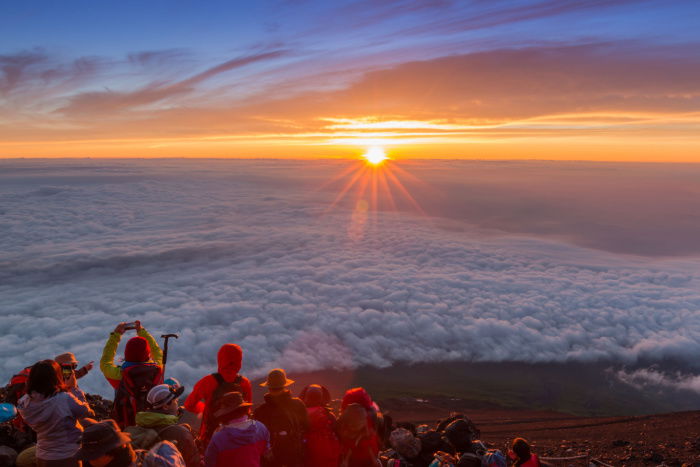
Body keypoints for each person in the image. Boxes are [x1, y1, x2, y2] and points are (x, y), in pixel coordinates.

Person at [17, 360, 94, 467]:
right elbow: (86, 412)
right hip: (67, 456)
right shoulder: (63, 399)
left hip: (42, 455)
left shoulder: (24, 403)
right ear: (56, 378)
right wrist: (74, 388)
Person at [183, 343, 252, 447]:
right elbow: (248, 409)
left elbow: (189, 404)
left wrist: (203, 409)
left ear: (220, 359)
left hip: (211, 435)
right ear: (239, 361)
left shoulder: (207, 382)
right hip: (239, 435)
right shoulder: (244, 383)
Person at [100, 320, 164, 428]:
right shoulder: (158, 369)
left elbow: (105, 362)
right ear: (148, 354)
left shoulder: (119, 375)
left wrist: (116, 335)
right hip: (155, 423)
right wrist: (142, 332)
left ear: (126, 353)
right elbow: (157, 351)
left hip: (129, 426)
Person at [126, 384, 200, 467]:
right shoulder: (181, 434)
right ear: (165, 406)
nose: (178, 404)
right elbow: (194, 463)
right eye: (175, 401)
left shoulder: (138, 428)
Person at [253, 368, 309, 467]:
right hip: (294, 455)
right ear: (285, 386)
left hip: (270, 459)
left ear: (268, 387)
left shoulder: (260, 411)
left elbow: (256, 436)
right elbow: (307, 426)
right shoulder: (298, 404)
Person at [204, 391, 270, 467]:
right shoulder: (261, 427)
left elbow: (209, 462)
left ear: (225, 413)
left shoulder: (218, 437)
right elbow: (265, 452)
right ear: (244, 409)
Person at [299, 384, 340, 467]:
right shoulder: (329, 415)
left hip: (306, 454)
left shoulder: (301, 414)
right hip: (327, 455)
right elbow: (338, 432)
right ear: (322, 398)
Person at [338, 387, 382, 467]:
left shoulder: (345, 416)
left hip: (351, 459)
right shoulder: (371, 415)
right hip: (367, 458)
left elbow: (346, 443)